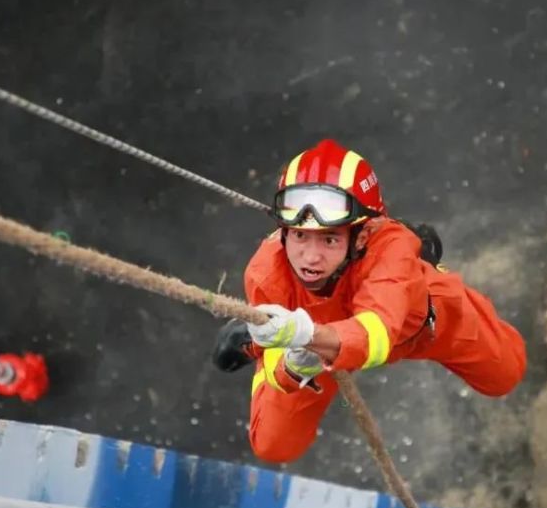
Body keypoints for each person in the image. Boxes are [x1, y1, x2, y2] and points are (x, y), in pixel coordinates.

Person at [213, 139, 526, 463]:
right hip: (310, 344)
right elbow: (290, 365)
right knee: (273, 446)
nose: (310, 257)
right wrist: (293, 365)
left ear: (362, 236)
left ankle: (422, 264)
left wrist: (306, 334)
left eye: (330, 239)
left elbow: (375, 335)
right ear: (284, 231)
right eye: (300, 235)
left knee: (506, 374)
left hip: (415, 326)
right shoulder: (266, 275)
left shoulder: (389, 254)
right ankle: (259, 337)